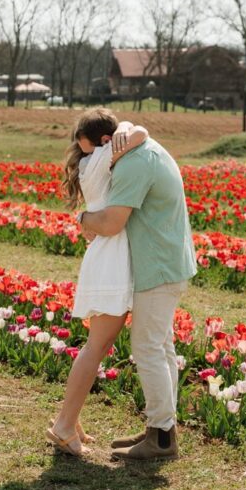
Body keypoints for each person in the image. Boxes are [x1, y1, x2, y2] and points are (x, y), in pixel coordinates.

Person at [80, 129, 197, 461]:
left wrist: (83, 218)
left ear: (107, 142)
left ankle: (161, 439)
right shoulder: (140, 147)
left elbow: (113, 222)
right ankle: (160, 429)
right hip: (167, 261)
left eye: (90, 155)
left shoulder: (133, 162)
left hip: (157, 265)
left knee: (147, 347)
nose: (90, 163)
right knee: (161, 346)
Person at [47, 108, 148, 457]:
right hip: (113, 260)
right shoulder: (107, 154)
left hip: (104, 256)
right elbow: (142, 136)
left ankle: (71, 421)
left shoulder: (90, 163)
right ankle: (63, 425)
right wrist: (129, 128)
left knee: (95, 346)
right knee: (96, 347)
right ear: (109, 139)